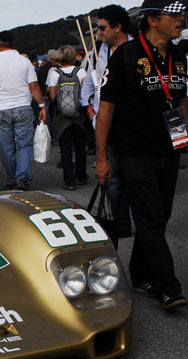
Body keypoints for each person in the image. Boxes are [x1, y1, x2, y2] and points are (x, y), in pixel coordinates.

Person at [96, 0, 188, 310]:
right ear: (151, 20)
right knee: (149, 218)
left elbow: (181, 100)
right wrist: (101, 157)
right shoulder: (127, 56)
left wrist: (185, 137)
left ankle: (139, 272)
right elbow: (105, 109)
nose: (181, 18)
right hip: (134, 152)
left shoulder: (177, 55)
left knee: (160, 215)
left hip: (169, 149)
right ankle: (167, 286)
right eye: (173, 14)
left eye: (181, 13)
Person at [82, 4, 133, 237]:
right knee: (113, 180)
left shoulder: (137, 50)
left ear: (118, 26)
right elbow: (88, 88)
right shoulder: (96, 52)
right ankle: (121, 225)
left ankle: (144, 222)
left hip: (133, 127)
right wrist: (92, 114)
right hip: (106, 124)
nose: (98, 33)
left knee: (136, 178)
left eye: (102, 28)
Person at [0, 31, 47, 190]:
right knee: (24, 145)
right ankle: (23, 178)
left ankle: (11, 178)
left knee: (6, 147)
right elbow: (34, 86)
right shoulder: (24, 62)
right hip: (22, 107)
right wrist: (41, 106)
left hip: (1, 109)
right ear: (12, 44)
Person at [47, 45, 87, 190]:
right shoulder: (81, 71)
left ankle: (69, 181)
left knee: (66, 149)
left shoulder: (55, 73)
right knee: (80, 147)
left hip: (62, 117)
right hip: (78, 115)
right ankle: (81, 176)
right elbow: (86, 90)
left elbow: (52, 96)